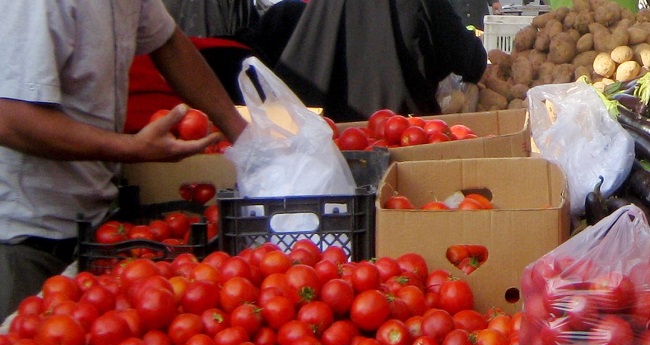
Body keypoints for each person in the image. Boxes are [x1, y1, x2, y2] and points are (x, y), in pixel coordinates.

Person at [0, 1, 249, 321]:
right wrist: (130, 147)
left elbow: (169, 43)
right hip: (27, 233)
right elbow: (10, 118)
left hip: (93, 221)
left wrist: (242, 133)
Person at [273, 0, 488, 123]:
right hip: (405, 139)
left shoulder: (325, 5)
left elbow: (295, 71)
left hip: (335, 144)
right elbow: (467, 58)